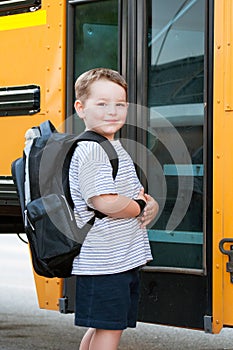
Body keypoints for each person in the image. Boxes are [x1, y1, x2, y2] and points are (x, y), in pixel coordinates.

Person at [69, 68, 159, 350]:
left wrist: (148, 203)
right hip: (105, 262)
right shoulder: (92, 149)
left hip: (116, 259)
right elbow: (104, 202)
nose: (112, 111)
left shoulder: (112, 145)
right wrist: (139, 206)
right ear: (80, 109)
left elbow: (128, 193)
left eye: (119, 104)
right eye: (102, 104)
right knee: (110, 332)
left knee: (103, 327)